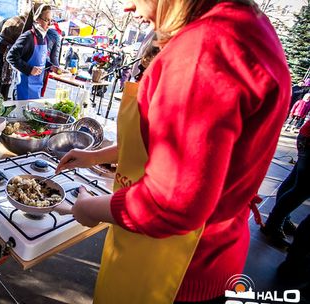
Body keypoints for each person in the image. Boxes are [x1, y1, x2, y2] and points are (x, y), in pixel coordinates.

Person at [56, 0, 290, 303]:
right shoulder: (246, 25)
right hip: (217, 256)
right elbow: (182, 149)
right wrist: (97, 156)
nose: (126, 7)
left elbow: (170, 204)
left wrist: (88, 208)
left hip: (174, 272)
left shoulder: (203, 51)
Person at [261, 120, 310, 249]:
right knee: (302, 189)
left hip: (306, 136)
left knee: (294, 182)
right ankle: (274, 224)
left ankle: (281, 219)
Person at [7, 4, 56, 100]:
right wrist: (29, 69)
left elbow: (41, 59)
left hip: (37, 88)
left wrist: (51, 66)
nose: (49, 24)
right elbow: (11, 56)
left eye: (51, 20)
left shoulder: (44, 38)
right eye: (46, 20)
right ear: (37, 19)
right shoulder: (27, 37)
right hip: (24, 89)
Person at [0, 12, 29, 100]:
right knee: (6, 77)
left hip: (0, 46)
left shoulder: (14, 19)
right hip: (6, 49)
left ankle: (0, 98)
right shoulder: (21, 24)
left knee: (2, 75)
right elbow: (20, 43)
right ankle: (3, 99)